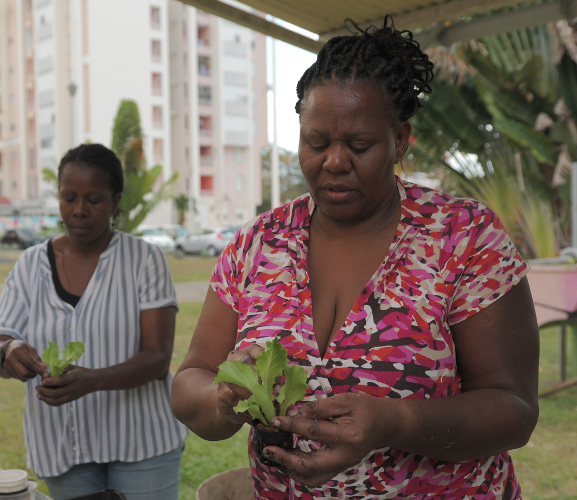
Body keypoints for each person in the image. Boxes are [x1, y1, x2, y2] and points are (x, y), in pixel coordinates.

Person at [171, 17, 539, 500]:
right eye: (316, 142)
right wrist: (221, 399)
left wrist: (395, 421)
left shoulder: (464, 237)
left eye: (359, 145)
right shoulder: (260, 243)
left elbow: (513, 409)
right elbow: (190, 378)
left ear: (400, 139)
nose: (334, 161)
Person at [0, 144, 188, 500]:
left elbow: (157, 358)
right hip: (63, 448)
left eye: (93, 199)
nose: (79, 211)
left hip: (142, 442)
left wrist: (93, 380)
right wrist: (7, 351)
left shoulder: (144, 260)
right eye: (69, 198)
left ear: (115, 201)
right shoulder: (31, 264)